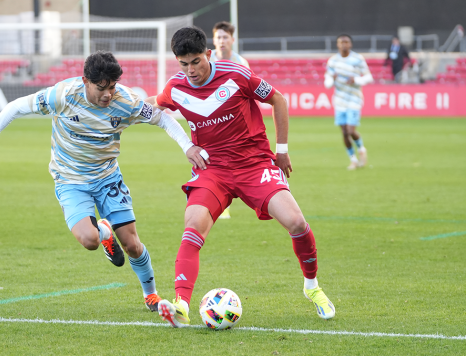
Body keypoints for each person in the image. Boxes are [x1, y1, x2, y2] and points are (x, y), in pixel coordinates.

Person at [0, 51, 202, 312]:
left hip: (108, 178)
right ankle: (104, 233)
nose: (108, 94)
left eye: (112, 87)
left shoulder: (127, 101)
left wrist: (188, 146)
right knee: (89, 240)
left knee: (132, 245)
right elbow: (15, 107)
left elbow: (162, 118)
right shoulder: (63, 96)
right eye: (101, 88)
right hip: (70, 180)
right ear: (85, 80)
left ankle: (151, 295)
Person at [148, 27, 335, 327]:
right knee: (193, 226)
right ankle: (181, 304)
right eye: (183, 64)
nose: (190, 70)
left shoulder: (237, 75)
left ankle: (312, 287)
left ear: (208, 54)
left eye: (195, 61)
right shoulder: (176, 87)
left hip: (254, 165)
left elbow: (279, 100)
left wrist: (282, 149)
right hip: (213, 170)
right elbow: (153, 106)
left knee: (297, 223)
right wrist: (120, 104)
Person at [211, 21, 250, 219]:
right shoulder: (207, 61)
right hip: (210, 121)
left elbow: (248, 92)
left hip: (233, 122)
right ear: (214, 40)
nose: (222, 41)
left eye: (225, 37)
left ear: (232, 40)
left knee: (234, 160)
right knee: (210, 160)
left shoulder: (241, 63)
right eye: (219, 37)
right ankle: (218, 203)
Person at [324, 34, 373, 170]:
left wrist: (356, 80)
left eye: (346, 42)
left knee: (351, 130)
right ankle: (353, 160)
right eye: (341, 42)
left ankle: (362, 149)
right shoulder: (333, 61)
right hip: (339, 101)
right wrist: (332, 79)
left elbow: (369, 77)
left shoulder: (357, 59)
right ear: (337, 45)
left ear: (350, 44)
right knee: (344, 133)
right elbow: (327, 83)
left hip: (354, 99)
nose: (344, 44)